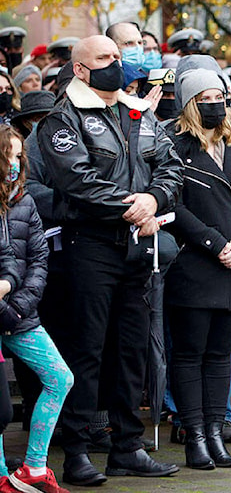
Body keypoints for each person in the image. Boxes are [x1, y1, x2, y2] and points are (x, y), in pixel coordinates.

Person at [37, 35, 182, 485]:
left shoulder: (137, 109)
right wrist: (131, 205)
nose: (116, 64)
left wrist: (152, 198)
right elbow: (76, 179)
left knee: (131, 350)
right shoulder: (63, 118)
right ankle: (76, 451)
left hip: (138, 246)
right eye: (105, 58)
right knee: (87, 351)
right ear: (80, 69)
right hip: (91, 245)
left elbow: (171, 164)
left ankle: (127, 448)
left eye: (118, 57)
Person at [165, 69, 231, 470]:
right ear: (189, 102)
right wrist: (217, 244)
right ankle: (195, 436)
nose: (215, 103)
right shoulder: (174, 145)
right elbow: (173, 205)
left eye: (220, 95)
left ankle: (216, 432)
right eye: (205, 97)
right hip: (194, 265)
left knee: (222, 356)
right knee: (189, 355)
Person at [0, 125, 74, 493]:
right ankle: (1, 473)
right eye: (8, 156)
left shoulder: (24, 200)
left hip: (19, 314)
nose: (15, 164)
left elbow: (38, 259)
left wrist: (17, 307)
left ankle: (33, 467)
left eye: (19, 156)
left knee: (60, 377)